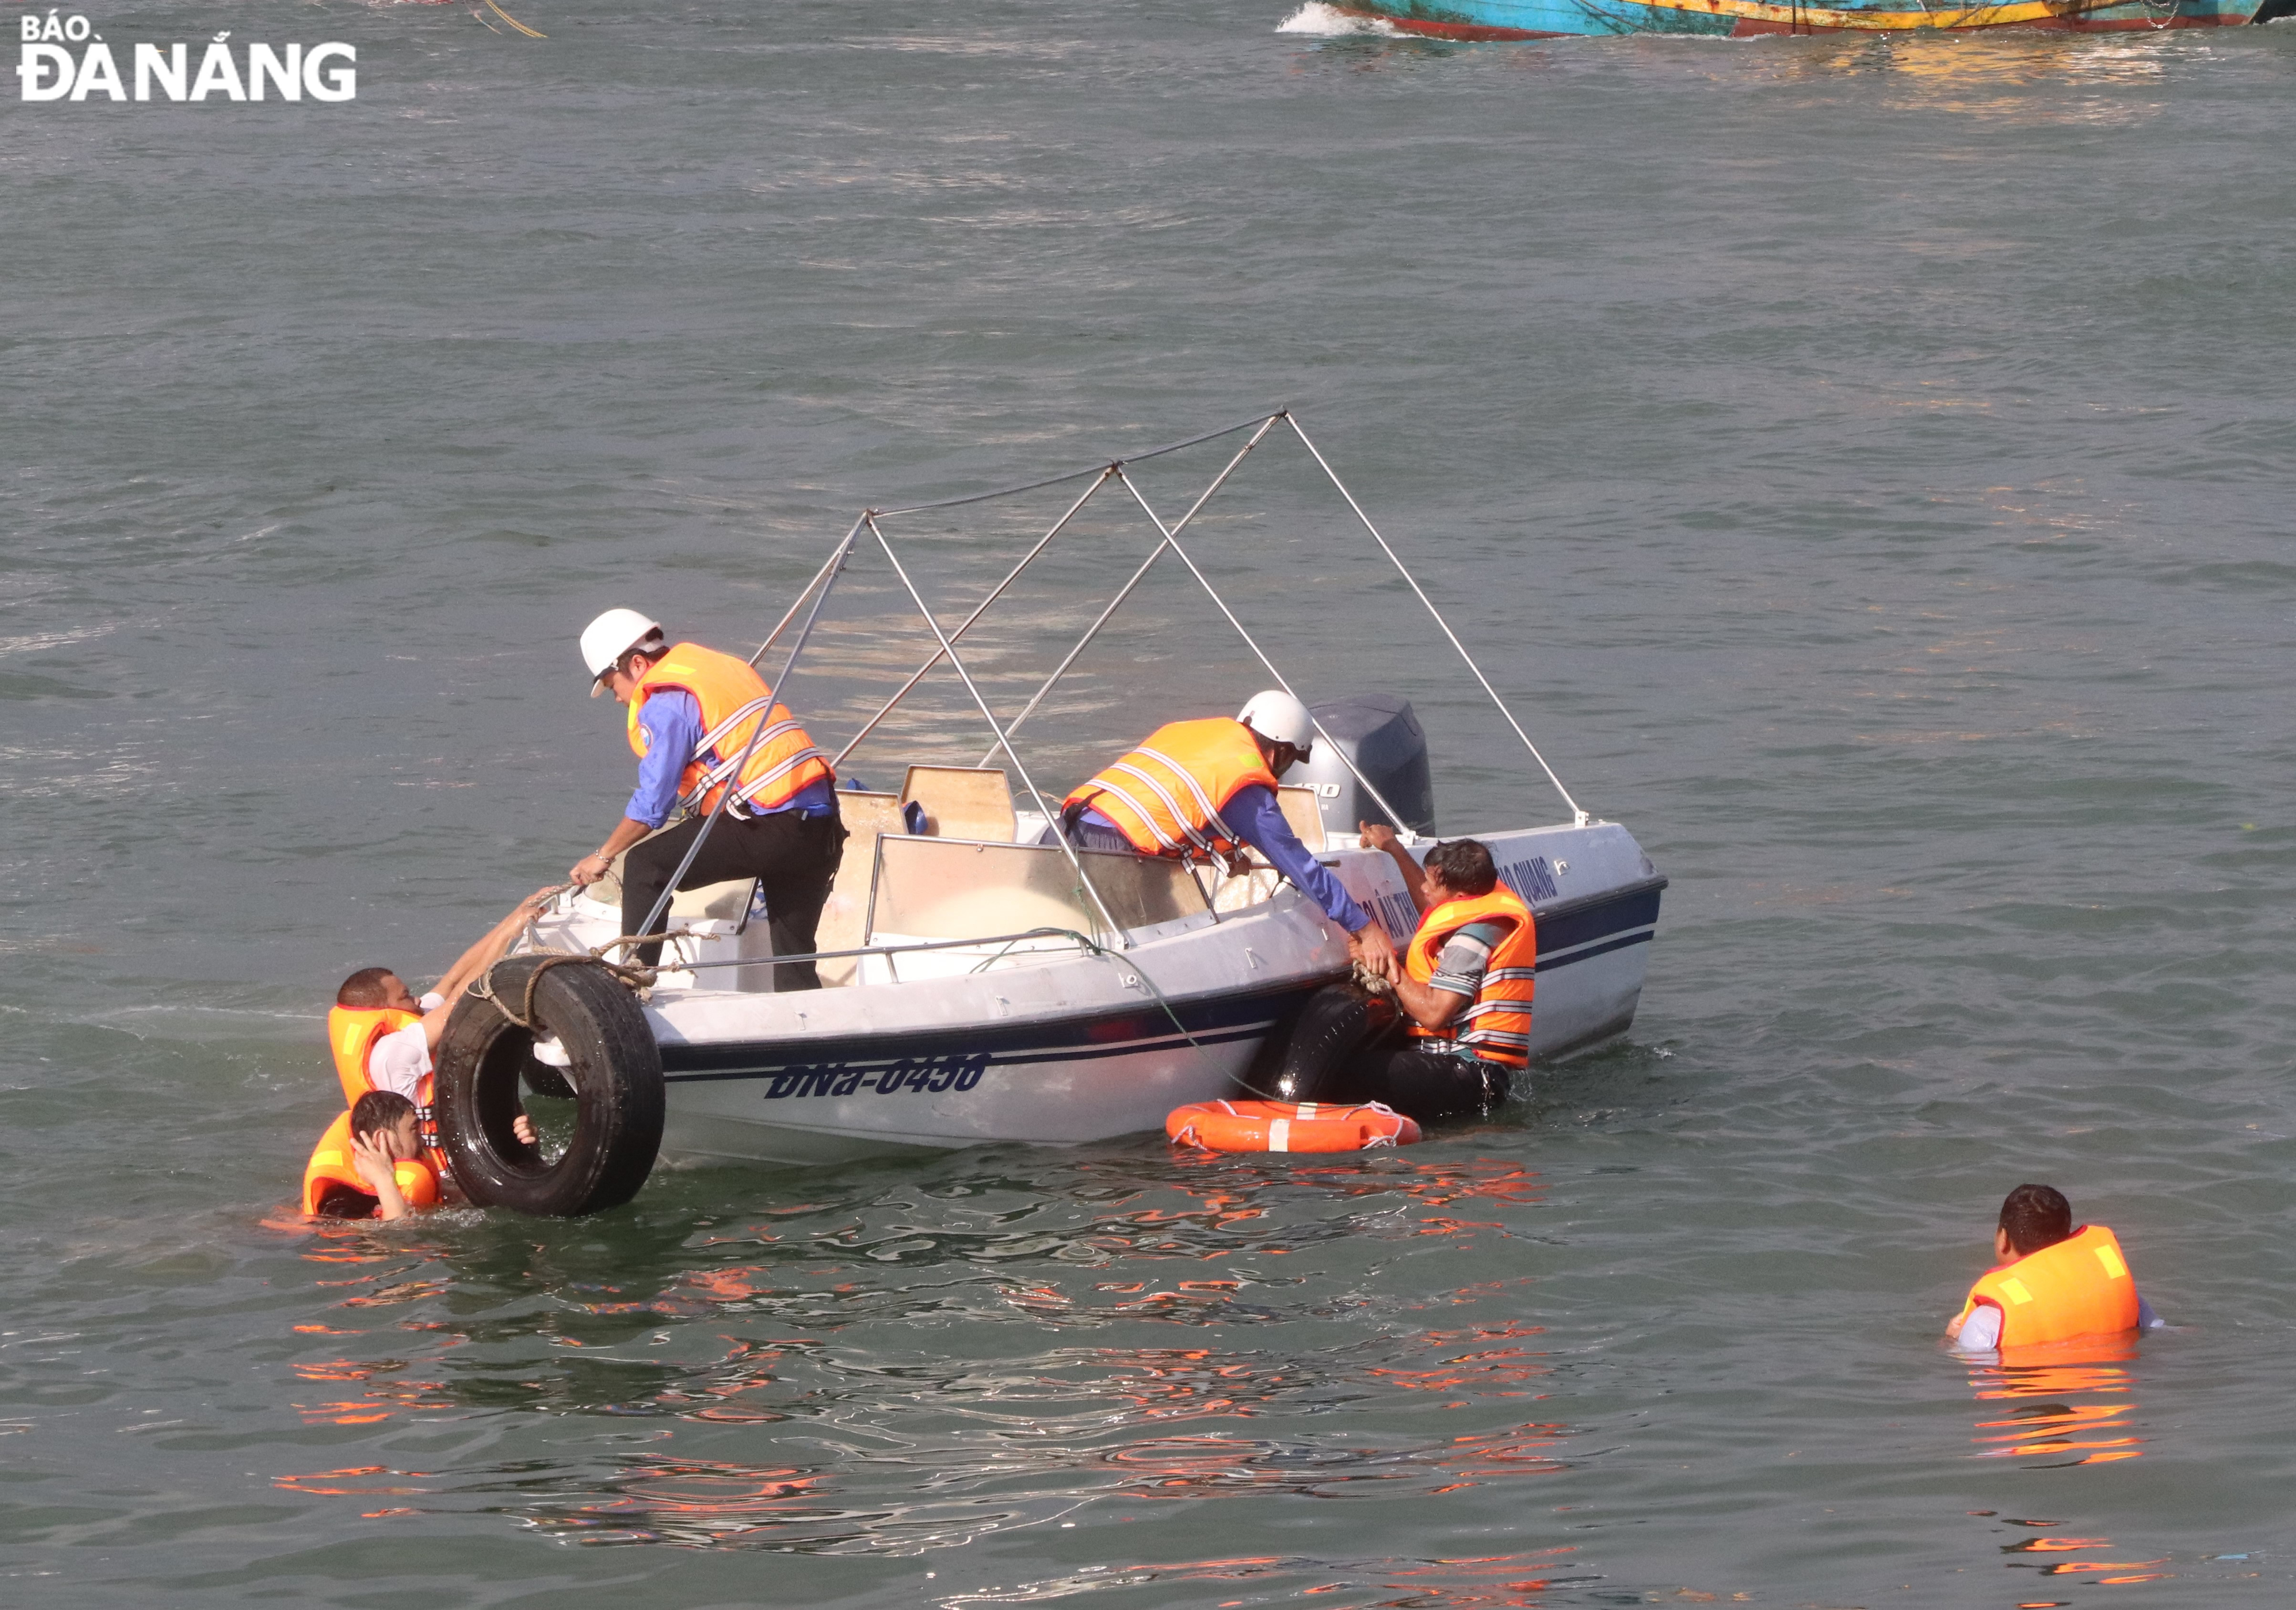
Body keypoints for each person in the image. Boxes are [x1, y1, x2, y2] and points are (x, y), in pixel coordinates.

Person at [567, 609, 846, 989]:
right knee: (794, 958)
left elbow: (653, 805)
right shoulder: (717, 667)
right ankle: (807, 1031)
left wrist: (602, 856)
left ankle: (629, 987)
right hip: (820, 827)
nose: (617, 698)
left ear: (636, 664)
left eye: (611, 683)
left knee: (646, 868)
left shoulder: (666, 701)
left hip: (772, 827)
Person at [1060, 690, 1399, 977]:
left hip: (1063, 832)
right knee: (1142, 957)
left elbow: (1167, 808)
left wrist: (1220, 852)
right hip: (1110, 853)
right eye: (1291, 761)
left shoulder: (1194, 735)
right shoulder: (1245, 779)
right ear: (1280, 751)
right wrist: (1364, 929)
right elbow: (1298, 864)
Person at [1265, 828, 1533, 1122]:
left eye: (1430, 883)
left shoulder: (1471, 939)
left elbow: (1434, 1016)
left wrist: (1386, 963)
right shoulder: (1476, 899)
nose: (1423, 889)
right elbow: (1434, 906)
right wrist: (1395, 849)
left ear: (1459, 896)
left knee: (1341, 1073)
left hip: (1473, 1073)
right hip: (1456, 1064)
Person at [330, 887, 561, 1107]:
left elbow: (453, 980)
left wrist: (518, 913)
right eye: (406, 997)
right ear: (384, 1011)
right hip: (431, 1147)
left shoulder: (410, 1023)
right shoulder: (391, 1052)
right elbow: (460, 998)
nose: (418, 1000)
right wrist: (505, 939)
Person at [1947, 1184, 2163, 1355]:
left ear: (2003, 1239)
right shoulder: (2114, 1293)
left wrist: (1953, 1341)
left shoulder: (1990, 1318)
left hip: (2034, 1398)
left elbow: (1978, 1373)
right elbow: (2159, 1332)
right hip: (2108, 1398)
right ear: (2067, 1238)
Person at [303, 1091, 537, 1220]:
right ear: (381, 1140)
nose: (424, 1139)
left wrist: (517, 1150)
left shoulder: (411, 1179)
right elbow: (395, 1242)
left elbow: (485, 1199)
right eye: (414, 1129)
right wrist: (384, 1180)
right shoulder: (342, 1205)